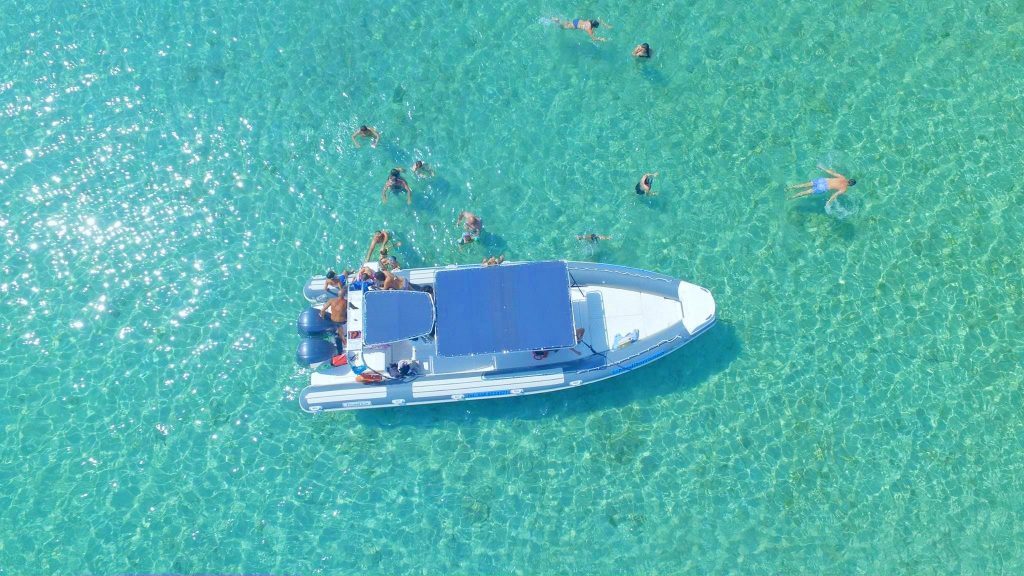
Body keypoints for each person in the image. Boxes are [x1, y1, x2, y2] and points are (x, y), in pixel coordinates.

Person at [788, 165, 857, 208]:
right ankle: (791, 197)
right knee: (806, 192)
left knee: (804, 185)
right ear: (850, 185)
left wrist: (822, 168)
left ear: (849, 179)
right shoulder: (844, 188)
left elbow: (832, 173)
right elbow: (834, 195)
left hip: (823, 180)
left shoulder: (842, 177)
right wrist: (829, 202)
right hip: (823, 187)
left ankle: (789, 188)